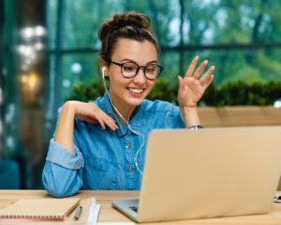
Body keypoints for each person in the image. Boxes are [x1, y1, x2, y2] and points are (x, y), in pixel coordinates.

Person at [42, 11, 215, 197]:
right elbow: (58, 187)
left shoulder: (167, 117)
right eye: (129, 68)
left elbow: (205, 180)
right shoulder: (80, 124)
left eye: (149, 69)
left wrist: (189, 108)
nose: (141, 80)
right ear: (105, 68)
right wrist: (69, 109)